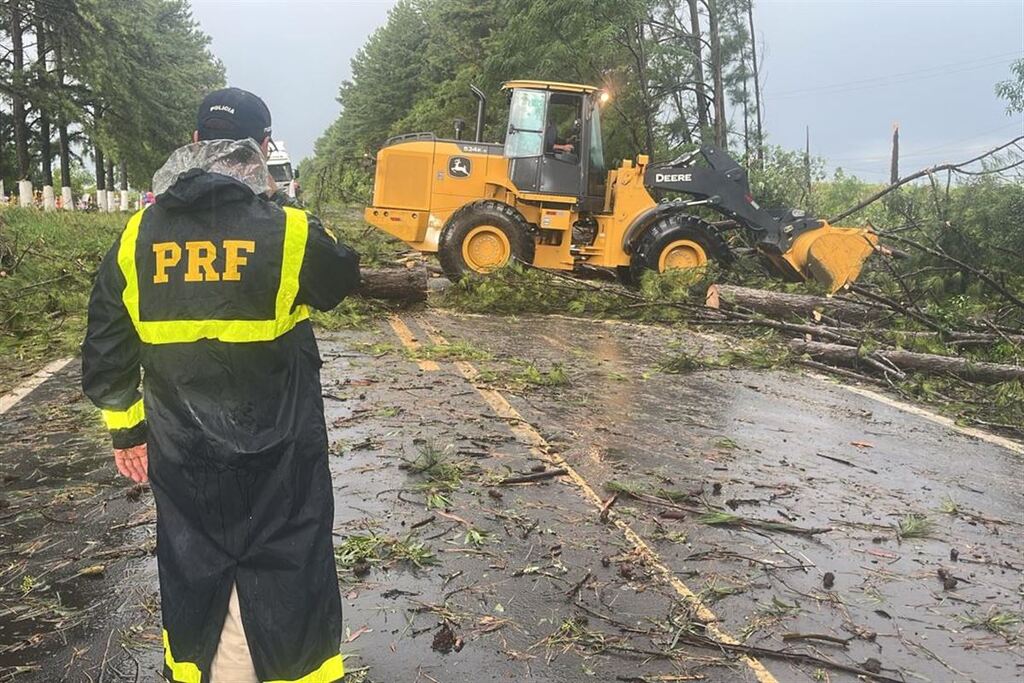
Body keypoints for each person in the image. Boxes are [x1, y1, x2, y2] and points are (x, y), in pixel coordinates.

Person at [81, 87, 360, 682]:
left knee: (194, 560)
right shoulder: (288, 232)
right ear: (263, 147)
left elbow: (106, 346)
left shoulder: (137, 236)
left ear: (193, 142)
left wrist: (127, 432)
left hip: (182, 449)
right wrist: (285, 204)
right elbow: (341, 277)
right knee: (289, 560)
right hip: (281, 448)